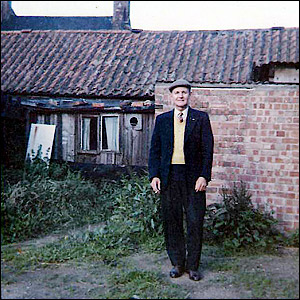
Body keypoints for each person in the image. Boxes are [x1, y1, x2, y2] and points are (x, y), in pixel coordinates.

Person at [148, 79, 214, 281]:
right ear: (172, 96)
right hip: (169, 177)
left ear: (189, 95)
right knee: (172, 220)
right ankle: (177, 263)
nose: (180, 96)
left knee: (194, 220)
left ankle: (193, 266)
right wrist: (154, 175)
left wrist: (204, 176)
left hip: (193, 178)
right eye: (177, 92)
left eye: (184, 92)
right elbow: (155, 150)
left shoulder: (200, 118)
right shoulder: (163, 120)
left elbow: (207, 150)